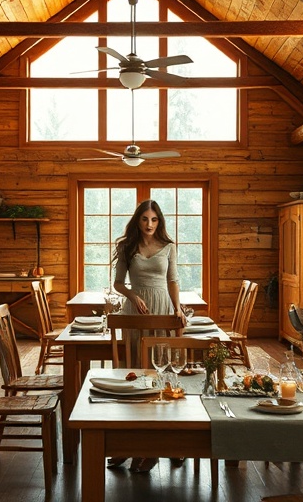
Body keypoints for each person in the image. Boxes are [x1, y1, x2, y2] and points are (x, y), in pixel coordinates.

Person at [107, 199, 187, 473]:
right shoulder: (126, 246)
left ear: (159, 221)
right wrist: (133, 294)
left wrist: (177, 309)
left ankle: (160, 447)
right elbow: (118, 283)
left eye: (154, 219)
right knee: (135, 377)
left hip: (164, 309)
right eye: (144, 219)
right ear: (138, 220)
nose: (149, 224)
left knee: (161, 375)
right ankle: (129, 445)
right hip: (135, 312)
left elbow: (173, 280)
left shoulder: (169, 246)